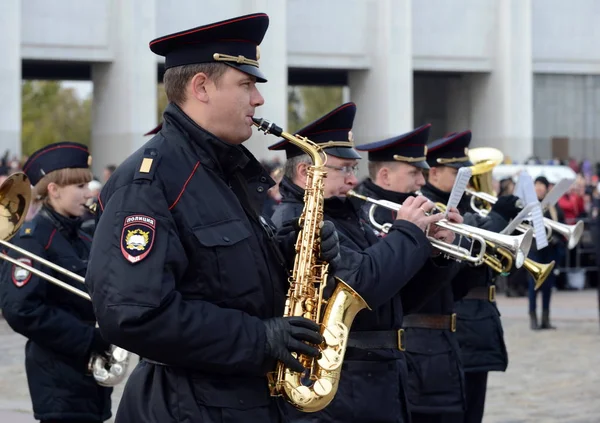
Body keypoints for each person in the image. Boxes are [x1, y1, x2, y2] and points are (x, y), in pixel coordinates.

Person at [85, 13, 331, 423]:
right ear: (201, 87)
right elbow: (133, 314)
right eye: (246, 84)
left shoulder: (218, 170)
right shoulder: (151, 179)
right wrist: (259, 337)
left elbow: (218, 279)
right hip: (188, 407)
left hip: (237, 402)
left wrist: (293, 251)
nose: (259, 99)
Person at [270, 103, 463, 423]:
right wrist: (407, 233)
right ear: (307, 173)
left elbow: (399, 300)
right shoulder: (298, 221)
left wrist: (433, 253)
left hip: (377, 378)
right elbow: (362, 282)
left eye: (353, 170)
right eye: (344, 169)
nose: (352, 180)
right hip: (343, 383)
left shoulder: (348, 215)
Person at [355, 125, 469, 423]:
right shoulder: (365, 214)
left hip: (435, 354)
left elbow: (430, 292)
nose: (422, 182)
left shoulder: (411, 209)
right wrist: (408, 237)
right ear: (384, 176)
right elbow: (381, 289)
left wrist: (441, 253)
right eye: (414, 174)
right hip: (400, 355)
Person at [0, 142, 113, 423]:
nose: (89, 193)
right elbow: (22, 309)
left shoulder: (83, 236)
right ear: (54, 189)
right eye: (80, 187)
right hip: (58, 375)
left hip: (88, 374)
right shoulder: (33, 238)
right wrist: (88, 338)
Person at [420, 131, 521, 423]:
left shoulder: (466, 205)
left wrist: (510, 233)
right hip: (459, 322)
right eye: (458, 172)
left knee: (473, 410)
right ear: (435, 172)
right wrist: (497, 222)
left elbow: (496, 265)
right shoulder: (428, 205)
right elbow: (460, 260)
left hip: (479, 323)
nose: (466, 179)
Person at [528, 176, 566, 330]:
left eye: (542, 185)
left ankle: (545, 318)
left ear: (546, 188)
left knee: (547, 287)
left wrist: (556, 238)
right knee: (533, 286)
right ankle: (533, 318)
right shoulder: (530, 205)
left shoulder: (553, 207)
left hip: (549, 251)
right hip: (534, 251)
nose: (539, 188)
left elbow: (559, 225)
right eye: (537, 185)